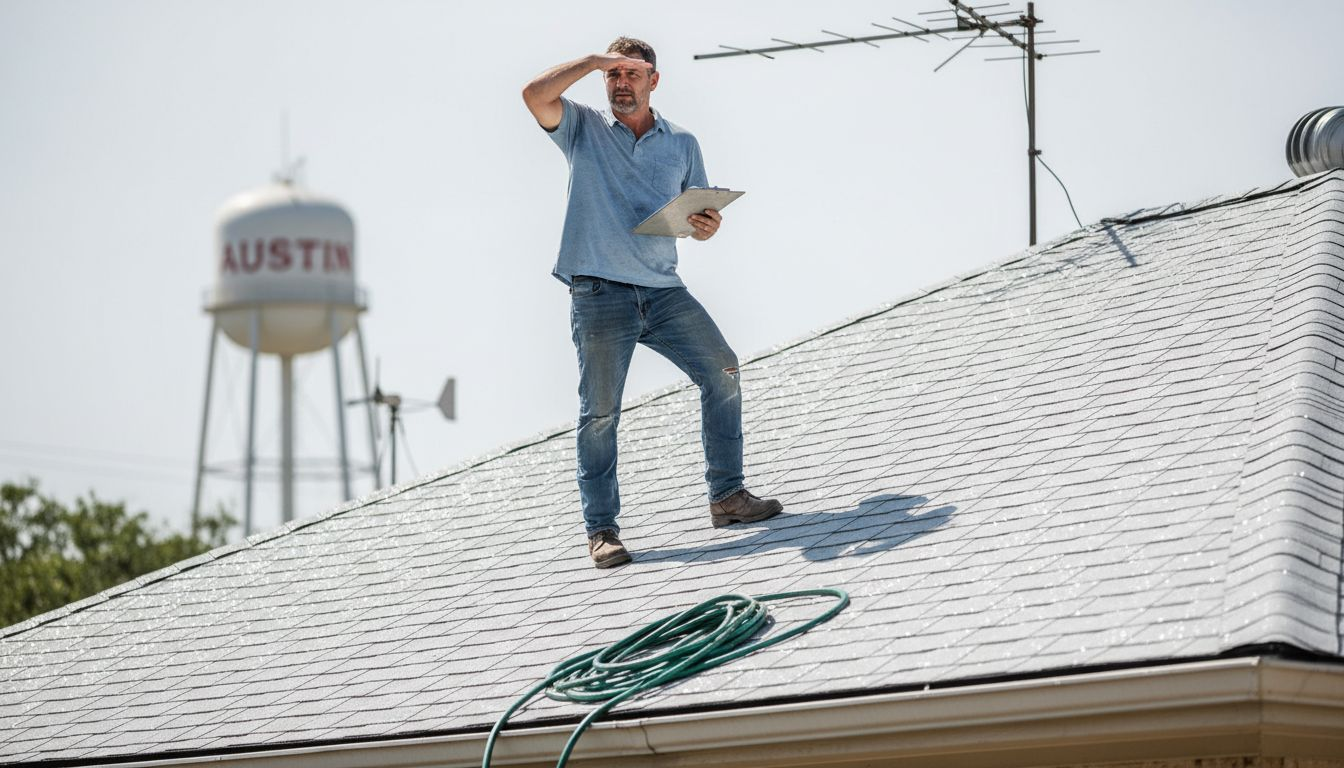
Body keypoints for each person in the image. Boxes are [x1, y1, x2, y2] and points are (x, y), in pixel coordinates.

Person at [523, 36, 782, 569]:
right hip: (598, 294)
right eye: (613, 75)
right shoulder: (582, 127)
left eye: (632, 75)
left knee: (724, 370)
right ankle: (602, 531)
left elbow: (699, 221)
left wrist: (707, 226)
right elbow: (532, 93)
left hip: (663, 291)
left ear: (653, 82)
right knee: (600, 414)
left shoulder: (682, 143)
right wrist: (593, 59)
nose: (621, 84)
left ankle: (727, 497)